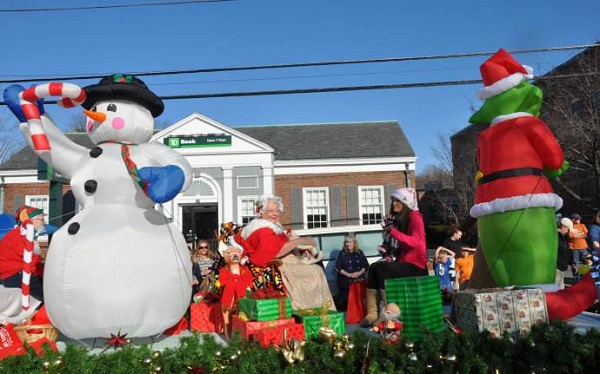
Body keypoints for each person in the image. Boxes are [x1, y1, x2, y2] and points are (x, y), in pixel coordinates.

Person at [235, 194, 336, 310]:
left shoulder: (273, 227)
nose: (275, 213)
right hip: (279, 265)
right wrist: (300, 240)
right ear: (261, 212)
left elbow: (278, 244)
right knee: (315, 271)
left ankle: (322, 309)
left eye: (278, 210)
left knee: (317, 269)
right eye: (271, 210)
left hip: (288, 260)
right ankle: (308, 309)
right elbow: (275, 252)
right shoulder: (262, 229)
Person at [360, 188, 428, 327]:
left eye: (398, 201)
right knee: (373, 267)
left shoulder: (415, 217)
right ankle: (372, 313)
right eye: (393, 201)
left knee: (383, 269)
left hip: (417, 265)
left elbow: (416, 242)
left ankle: (389, 315)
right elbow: (402, 246)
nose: (394, 203)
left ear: (406, 203)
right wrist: (388, 251)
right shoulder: (400, 219)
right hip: (404, 261)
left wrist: (392, 231)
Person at [0, 206, 46, 308]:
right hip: (13, 275)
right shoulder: (20, 234)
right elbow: (29, 259)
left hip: (16, 273)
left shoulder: (28, 234)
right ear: (31, 221)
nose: (44, 222)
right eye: (41, 219)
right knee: (48, 292)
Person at [333, 235, 369, 311]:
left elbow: (366, 265)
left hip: (359, 281)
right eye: (346, 242)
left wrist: (359, 273)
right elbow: (337, 267)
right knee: (346, 304)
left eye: (350, 242)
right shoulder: (341, 253)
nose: (348, 244)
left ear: (354, 243)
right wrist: (349, 275)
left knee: (359, 303)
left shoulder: (359, 252)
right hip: (345, 283)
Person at [557, 218, 574, 289]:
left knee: (561, 289)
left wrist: (571, 263)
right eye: (567, 229)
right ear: (562, 227)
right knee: (558, 290)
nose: (568, 232)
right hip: (555, 267)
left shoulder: (563, 237)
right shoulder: (555, 236)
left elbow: (567, 251)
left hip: (561, 268)